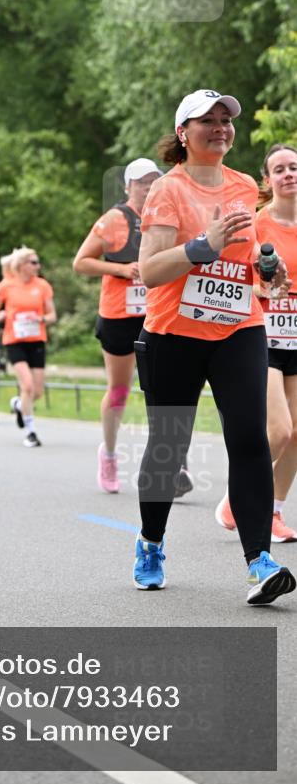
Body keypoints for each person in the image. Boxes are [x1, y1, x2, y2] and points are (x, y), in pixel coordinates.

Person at [132, 88, 295, 605]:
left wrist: (269, 273)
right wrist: (204, 246)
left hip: (238, 328)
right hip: (173, 332)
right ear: (184, 133)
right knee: (168, 446)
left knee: (249, 440)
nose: (221, 127)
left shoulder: (246, 185)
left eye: (227, 120)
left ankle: (259, 562)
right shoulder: (167, 191)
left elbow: (247, 263)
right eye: (208, 120)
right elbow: (150, 270)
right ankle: (151, 542)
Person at [215, 143, 297, 542]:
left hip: (296, 337)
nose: (288, 174)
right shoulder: (258, 225)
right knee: (279, 430)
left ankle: (273, 511)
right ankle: (239, 495)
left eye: (294, 167)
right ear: (267, 180)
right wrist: (267, 292)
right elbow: (237, 277)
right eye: (279, 169)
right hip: (262, 333)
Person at [73, 158, 163, 494]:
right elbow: (80, 262)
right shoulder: (114, 219)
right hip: (118, 314)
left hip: (157, 312)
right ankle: (109, 453)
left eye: (154, 180)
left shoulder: (167, 215)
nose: (149, 186)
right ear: (128, 187)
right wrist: (122, 270)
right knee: (120, 391)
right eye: (142, 182)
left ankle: (173, 460)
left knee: (163, 389)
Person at [0, 246, 56, 447]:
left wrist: (41, 318)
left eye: (37, 262)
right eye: (33, 262)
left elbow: (53, 315)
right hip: (14, 341)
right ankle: (31, 432)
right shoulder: (6, 286)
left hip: (36, 340)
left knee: (37, 391)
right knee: (26, 386)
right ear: (22, 265)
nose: (38, 266)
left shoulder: (42, 286)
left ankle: (18, 404)